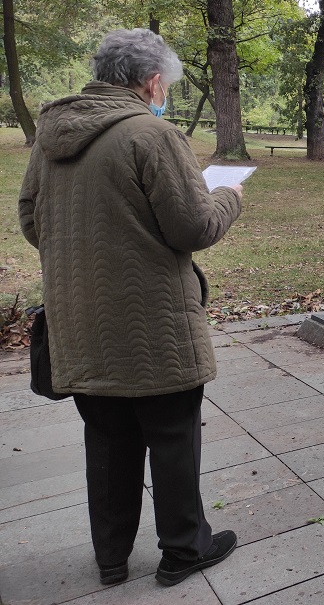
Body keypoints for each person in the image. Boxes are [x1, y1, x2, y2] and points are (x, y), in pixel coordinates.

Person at [18, 29, 242, 586]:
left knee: (108, 439)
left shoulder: (52, 135)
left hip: (78, 321)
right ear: (151, 82)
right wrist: (230, 197)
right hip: (154, 322)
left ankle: (111, 558)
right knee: (172, 436)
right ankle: (185, 550)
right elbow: (194, 224)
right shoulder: (153, 133)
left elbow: (30, 220)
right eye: (164, 84)